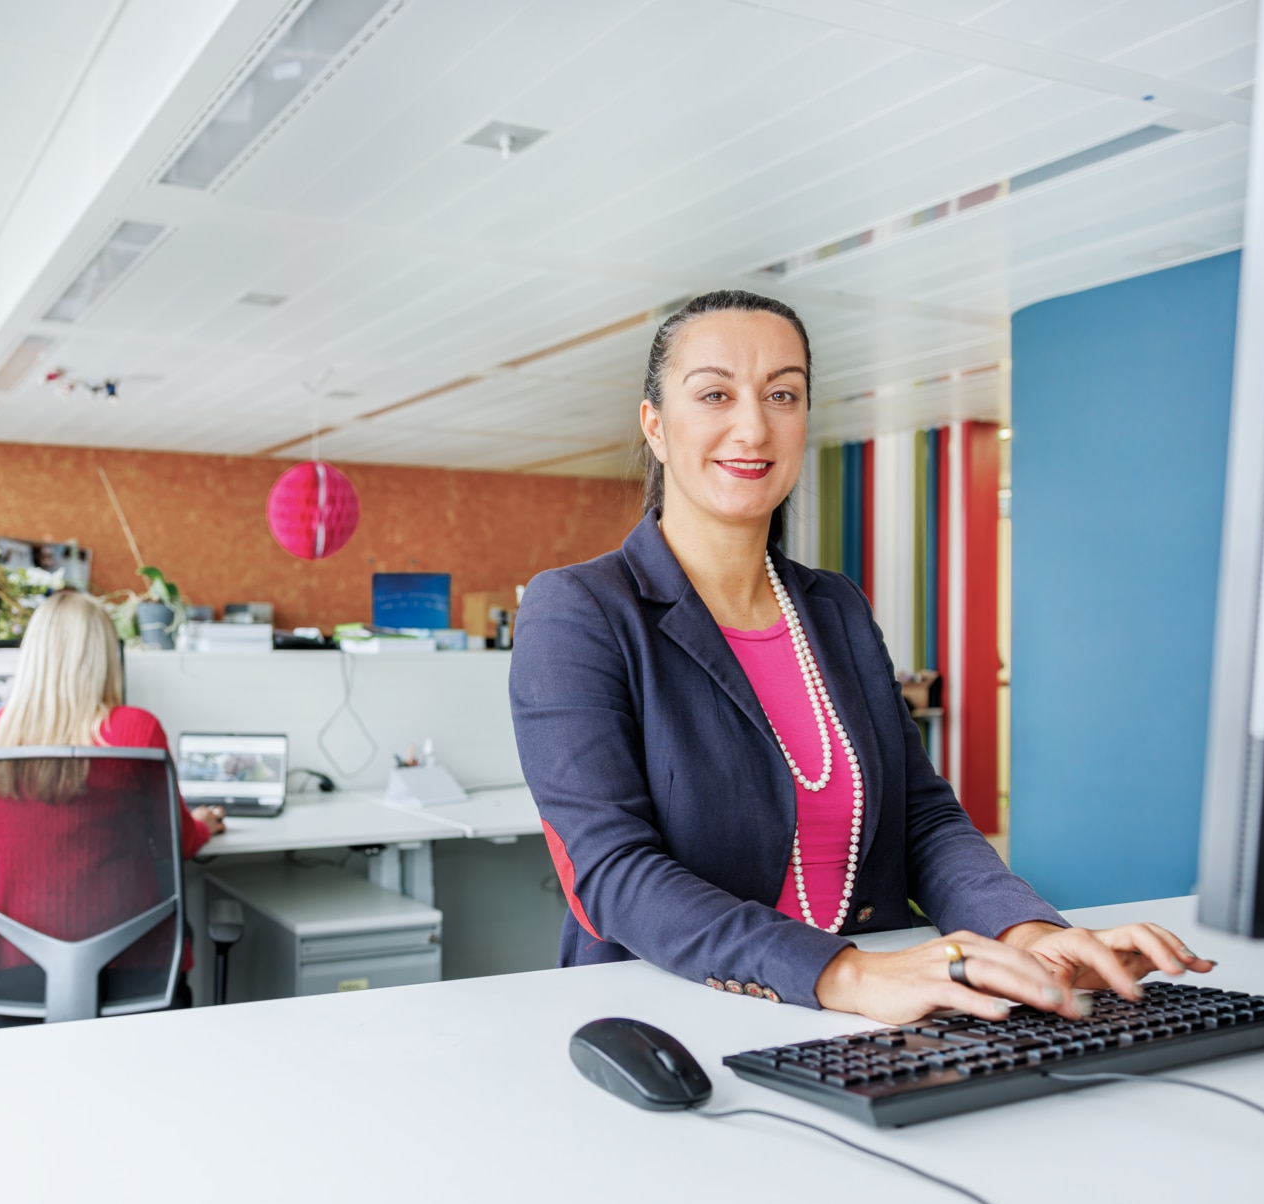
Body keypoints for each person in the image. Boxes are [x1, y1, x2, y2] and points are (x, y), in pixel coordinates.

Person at [509, 290, 1213, 1024]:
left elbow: (921, 817)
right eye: (714, 393)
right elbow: (614, 872)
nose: (752, 425)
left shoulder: (834, 607)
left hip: (876, 1013)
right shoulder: (581, 609)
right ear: (655, 425)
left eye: (783, 393)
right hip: (679, 1015)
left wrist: (1026, 934)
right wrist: (844, 973)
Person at [0, 591, 225, 1012]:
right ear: (104, 657)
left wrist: (31, 836)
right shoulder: (137, 729)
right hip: (136, 963)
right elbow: (178, 843)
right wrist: (203, 824)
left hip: (22, 965)